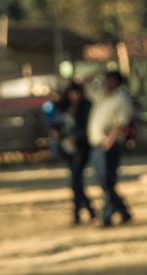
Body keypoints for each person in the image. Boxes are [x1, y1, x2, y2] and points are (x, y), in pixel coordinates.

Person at [87, 70, 133, 227]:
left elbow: (121, 124)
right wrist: (94, 73)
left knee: (107, 182)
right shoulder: (101, 96)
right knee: (105, 182)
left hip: (108, 145)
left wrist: (109, 142)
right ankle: (123, 211)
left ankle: (106, 217)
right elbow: (84, 85)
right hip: (96, 144)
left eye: (109, 80)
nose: (106, 83)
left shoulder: (121, 99)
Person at [51, 82, 96, 225]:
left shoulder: (86, 107)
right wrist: (57, 132)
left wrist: (77, 138)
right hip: (67, 149)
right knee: (76, 182)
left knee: (75, 181)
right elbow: (56, 123)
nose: (74, 96)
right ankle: (89, 210)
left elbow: (88, 126)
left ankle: (77, 213)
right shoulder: (64, 107)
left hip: (81, 148)